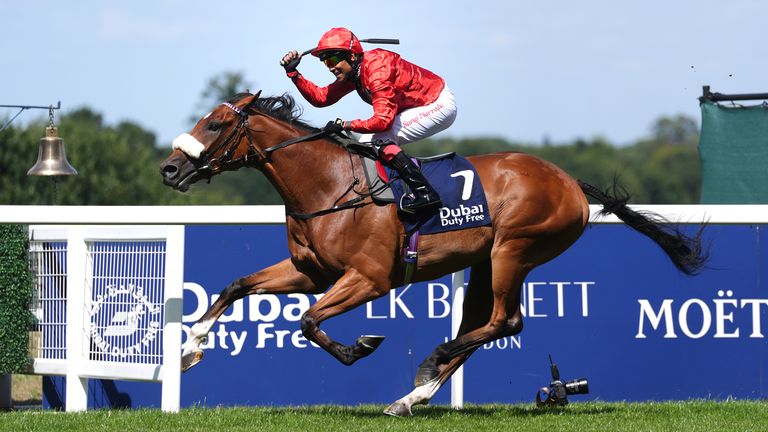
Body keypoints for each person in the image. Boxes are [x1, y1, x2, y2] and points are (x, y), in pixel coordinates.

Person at [281, 27, 457, 213]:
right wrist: (294, 73)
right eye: (325, 62)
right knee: (365, 142)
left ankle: (426, 193)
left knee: (379, 140)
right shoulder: (354, 72)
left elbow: (382, 121)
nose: (330, 67)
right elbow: (322, 98)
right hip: (415, 106)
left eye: (332, 60)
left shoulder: (378, 69)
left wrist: (345, 124)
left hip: (437, 103)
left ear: (352, 56)